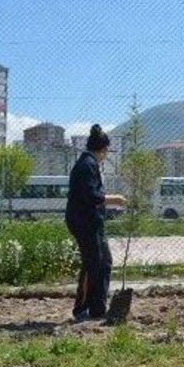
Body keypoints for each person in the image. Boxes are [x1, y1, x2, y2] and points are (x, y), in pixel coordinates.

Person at [65, 124, 125, 321]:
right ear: (102, 149)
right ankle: (82, 309)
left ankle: (98, 308)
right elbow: (90, 195)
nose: (106, 155)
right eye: (106, 151)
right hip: (84, 222)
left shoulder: (90, 163)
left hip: (92, 221)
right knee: (93, 264)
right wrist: (114, 199)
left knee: (104, 261)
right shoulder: (87, 165)